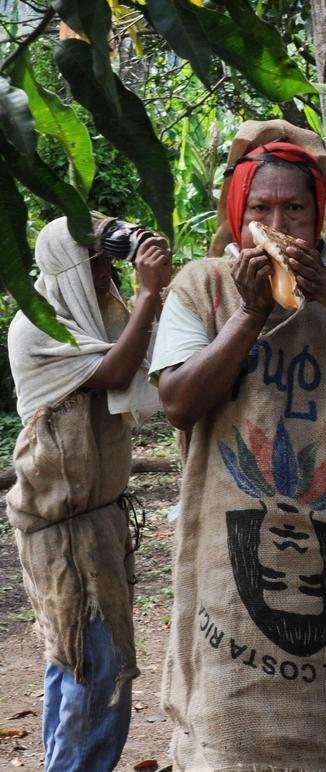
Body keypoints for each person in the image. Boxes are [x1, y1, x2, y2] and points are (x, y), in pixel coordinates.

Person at [150, 119, 326, 770]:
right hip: (234, 575)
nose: (280, 224)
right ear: (238, 214)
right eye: (262, 209)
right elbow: (177, 403)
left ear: (318, 214)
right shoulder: (204, 287)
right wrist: (249, 314)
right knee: (233, 734)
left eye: (295, 208)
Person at [6, 215, 171, 772]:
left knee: (73, 662)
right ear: (71, 269)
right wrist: (149, 292)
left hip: (93, 520)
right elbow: (121, 368)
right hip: (64, 530)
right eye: (97, 262)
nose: (107, 274)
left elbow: (157, 346)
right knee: (95, 671)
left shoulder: (94, 318)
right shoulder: (38, 325)